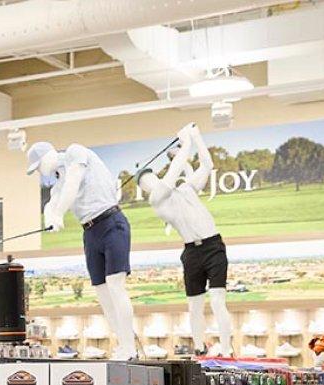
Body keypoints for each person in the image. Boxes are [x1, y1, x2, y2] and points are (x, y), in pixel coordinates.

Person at [26, 141, 138, 360]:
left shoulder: (75, 152)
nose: (40, 171)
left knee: (115, 285)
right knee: (103, 294)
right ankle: (122, 345)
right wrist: (51, 215)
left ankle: (130, 348)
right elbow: (52, 201)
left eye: (39, 166)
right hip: (90, 233)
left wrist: (59, 212)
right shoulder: (58, 182)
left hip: (111, 223)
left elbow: (73, 183)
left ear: (48, 156)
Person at [136, 123, 233, 356]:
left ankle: (226, 350)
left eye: (151, 178)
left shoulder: (186, 189)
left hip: (213, 246)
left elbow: (207, 165)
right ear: (145, 189)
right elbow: (174, 172)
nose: (150, 183)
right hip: (192, 253)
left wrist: (197, 137)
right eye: (145, 183)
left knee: (218, 300)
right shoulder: (157, 199)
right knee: (194, 305)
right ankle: (200, 348)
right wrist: (185, 143)